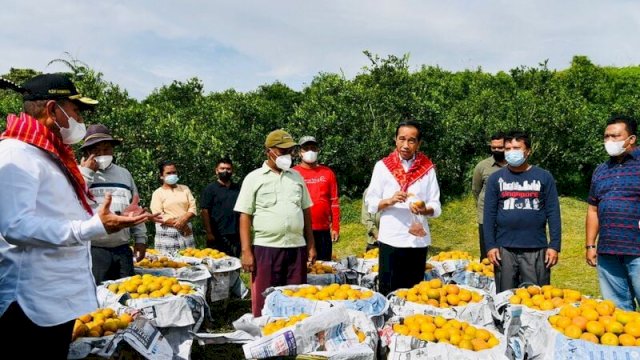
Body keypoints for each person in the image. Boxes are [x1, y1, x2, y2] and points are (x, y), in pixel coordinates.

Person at [0, 74, 155, 358]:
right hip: (32, 304)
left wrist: (114, 216)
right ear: (52, 110)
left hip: (56, 300)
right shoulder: (15, 154)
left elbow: (63, 214)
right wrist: (92, 227)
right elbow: (15, 225)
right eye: (76, 109)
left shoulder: (50, 155)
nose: (79, 117)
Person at [234, 129, 316, 316]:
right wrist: (246, 251)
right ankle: (265, 338)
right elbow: (245, 216)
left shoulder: (296, 177)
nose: (287, 156)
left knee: (295, 299)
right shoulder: (253, 178)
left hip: (296, 247)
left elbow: (306, 212)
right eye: (282, 151)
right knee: (265, 301)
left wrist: (311, 245)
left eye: (289, 151)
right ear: (269, 151)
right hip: (266, 248)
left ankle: (292, 338)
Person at [365, 120, 441, 295]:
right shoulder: (383, 167)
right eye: (402, 139)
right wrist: (390, 201)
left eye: (411, 140)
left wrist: (424, 209)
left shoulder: (427, 169)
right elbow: (371, 203)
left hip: (417, 241)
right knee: (388, 288)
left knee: (414, 291)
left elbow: (436, 206)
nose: (406, 145)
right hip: (391, 237)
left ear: (418, 144)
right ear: (395, 140)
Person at [484, 130, 561, 293]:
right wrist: (490, 246)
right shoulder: (495, 179)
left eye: (517, 148)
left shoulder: (544, 177)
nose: (512, 152)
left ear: (528, 151)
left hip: (535, 247)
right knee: (505, 297)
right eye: (508, 148)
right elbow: (489, 215)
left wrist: (554, 245)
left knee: (537, 297)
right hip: (504, 249)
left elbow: (553, 213)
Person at [79, 124, 148, 284]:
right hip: (94, 249)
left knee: (127, 297)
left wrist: (140, 239)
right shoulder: (79, 174)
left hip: (122, 248)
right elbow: (72, 200)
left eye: (107, 149)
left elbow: (135, 207)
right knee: (98, 300)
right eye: (97, 150)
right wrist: (87, 173)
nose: (103, 154)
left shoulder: (124, 174)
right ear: (88, 152)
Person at [586, 115, 640, 311]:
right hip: (608, 251)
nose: (609, 141)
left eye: (616, 136)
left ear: (631, 139)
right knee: (619, 312)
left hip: (637, 250)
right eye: (606, 136)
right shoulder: (601, 170)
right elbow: (593, 209)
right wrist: (590, 244)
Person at [293, 136, 340, 261]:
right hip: (300, 230)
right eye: (306, 148)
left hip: (323, 230)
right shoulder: (293, 173)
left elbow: (334, 202)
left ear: (318, 150)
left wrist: (335, 227)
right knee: (302, 268)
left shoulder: (327, 172)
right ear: (299, 152)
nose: (310, 151)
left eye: (313, 148)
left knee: (323, 266)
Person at [150, 161, 198, 253]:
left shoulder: (185, 189)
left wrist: (184, 218)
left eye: (174, 172)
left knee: (189, 260)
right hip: (167, 233)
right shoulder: (157, 193)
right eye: (168, 173)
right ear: (161, 175)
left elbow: (193, 208)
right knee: (168, 263)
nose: (172, 175)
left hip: (186, 233)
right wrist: (182, 225)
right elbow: (158, 216)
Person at [472, 132, 506, 258]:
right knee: (487, 255)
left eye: (500, 147)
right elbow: (476, 190)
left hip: (508, 217)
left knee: (506, 255)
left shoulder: (514, 166)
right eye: (493, 147)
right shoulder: (482, 166)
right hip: (486, 218)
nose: (496, 150)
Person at [200, 157, 241, 257]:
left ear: (232, 171)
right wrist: (209, 232)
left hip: (235, 234)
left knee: (234, 262)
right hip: (217, 234)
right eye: (222, 168)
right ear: (216, 170)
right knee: (216, 263)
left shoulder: (238, 188)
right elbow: (205, 211)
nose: (225, 171)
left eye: (228, 169)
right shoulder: (210, 189)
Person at [361, 187, 381, 252]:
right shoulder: (368, 191)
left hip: (391, 241)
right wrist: (375, 232)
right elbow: (365, 216)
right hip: (373, 241)